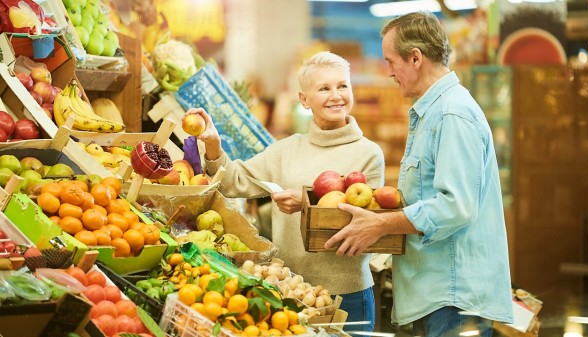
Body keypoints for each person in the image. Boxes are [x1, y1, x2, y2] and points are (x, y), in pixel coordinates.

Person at [324, 11, 514, 337]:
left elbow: (455, 206)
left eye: (390, 62)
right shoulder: (432, 111)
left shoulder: (452, 113)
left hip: (454, 299)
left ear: (415, 58)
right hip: (436, 296)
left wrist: (382, 224)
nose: (388, 73)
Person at [185, 51, 385, 331]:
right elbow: (234, 181)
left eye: (343, 86)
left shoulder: (368, 154)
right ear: (304, 99)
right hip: (291, 292)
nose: (336, 95)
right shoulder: (286, 149)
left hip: (348, 295)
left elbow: (364, 222)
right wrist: (214, 144)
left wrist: (305, 203)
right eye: (324, 88)